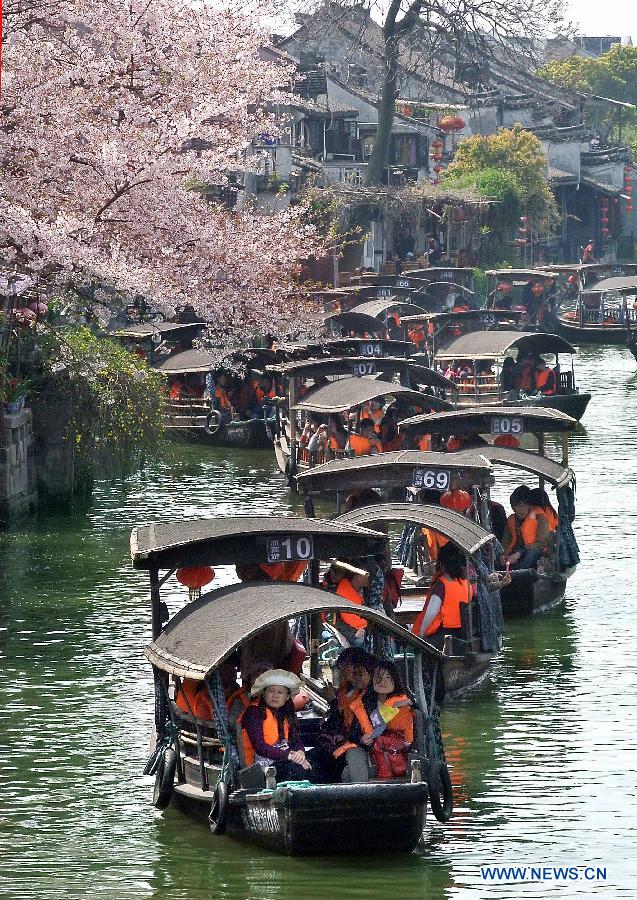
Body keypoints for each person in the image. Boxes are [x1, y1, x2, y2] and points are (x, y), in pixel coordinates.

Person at [340, 660, 414, 782]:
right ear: (373, 680)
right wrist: (362, 739)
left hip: (398, 753)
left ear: (394, 680)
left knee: (347, 774)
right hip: (370, 753)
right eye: (379, 677)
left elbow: (410, 736)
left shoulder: (404, 702)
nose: (383, 681)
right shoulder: (364, 702)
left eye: (388, 677)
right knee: (352, 754)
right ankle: (362, 793)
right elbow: (353, 733)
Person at [240, 669, 313, 780]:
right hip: (261, 764)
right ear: (264, 694)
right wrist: (290, 756)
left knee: (314, 762)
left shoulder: (286, 712)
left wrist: (300, 753)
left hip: (283, 758)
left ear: (287, 696)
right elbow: (260, 747)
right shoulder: (254, 712)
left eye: (280, 692)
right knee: (297, 770)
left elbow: (295, 740)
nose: (275, 696)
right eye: (271, 691)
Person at [411, 542, 472, 648]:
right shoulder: (467, 583)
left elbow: (431, 613)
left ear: (442, 564)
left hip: (443, 636)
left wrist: (420, 634)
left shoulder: (442, 585)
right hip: (463, 635)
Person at [504, 485, 551, 570]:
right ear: (513, 507)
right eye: (517, 506)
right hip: (515, 555)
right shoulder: (512, 519)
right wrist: (502, 555)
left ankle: (520, 574)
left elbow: (541, 542)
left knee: (532, 553)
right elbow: (506, 540)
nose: (520, 509)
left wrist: (520, 553)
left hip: (534, 552)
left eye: (523, 505)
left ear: (530, 505)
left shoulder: (539, 517)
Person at [329, 561, 371, 648]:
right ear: (357, 575)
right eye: (367, 575)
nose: (370, 578)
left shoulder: (368, 592)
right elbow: (331, 619)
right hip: (352, 637)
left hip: (366, 633)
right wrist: (353, 632)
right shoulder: (339, 592)